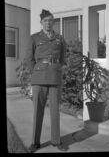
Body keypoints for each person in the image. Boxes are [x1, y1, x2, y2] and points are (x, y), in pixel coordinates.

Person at [25, 9, 66, 153]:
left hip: (54, 77)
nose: (48, 23)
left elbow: (62, 59)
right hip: (39, 78)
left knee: (55, 111)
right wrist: (35, 73)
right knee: (38, 111)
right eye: (45, 21)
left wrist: (56, 68)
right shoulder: (34, 38)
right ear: (41, 22)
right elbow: (29, 59)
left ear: (53, 22)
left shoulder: (60, 38)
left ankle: (56, 141)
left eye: (50, 20)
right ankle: (35, 143)